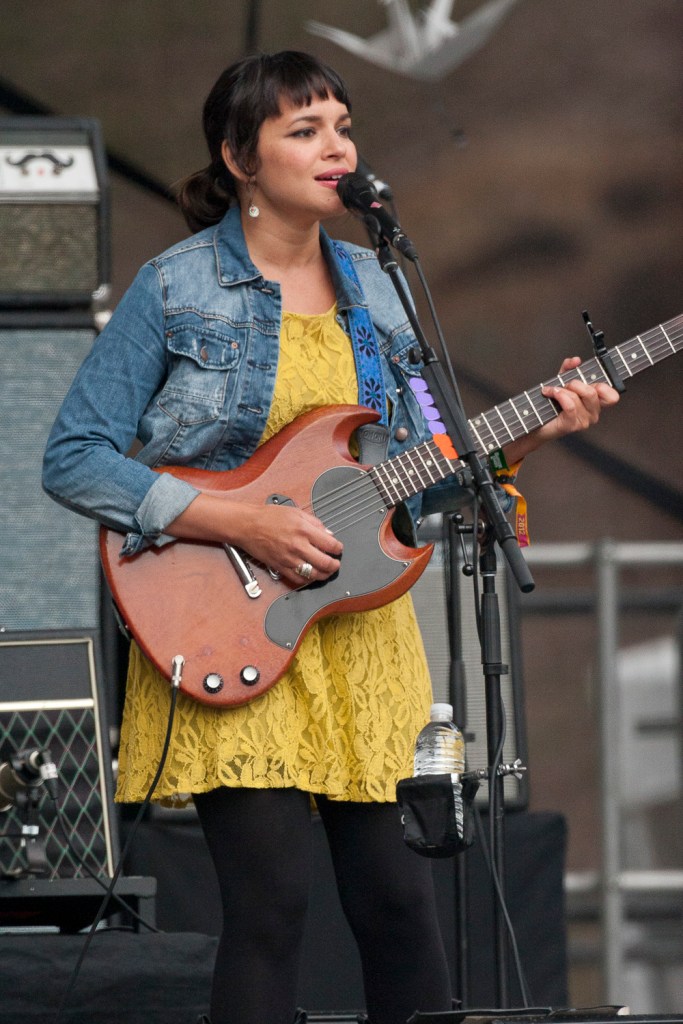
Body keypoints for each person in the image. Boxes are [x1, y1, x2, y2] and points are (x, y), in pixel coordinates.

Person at [42, 51, 619, 1024]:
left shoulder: (378, 286)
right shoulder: (177, 286)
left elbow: (424, 461)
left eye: (341, 127)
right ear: (238, 156)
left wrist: (526, 428)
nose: (333, 147)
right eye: (302, 129)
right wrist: (239, 522)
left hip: (354, 630)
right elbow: (74, 457)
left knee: (398, 907)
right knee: (270, 910)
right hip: (231, 612)